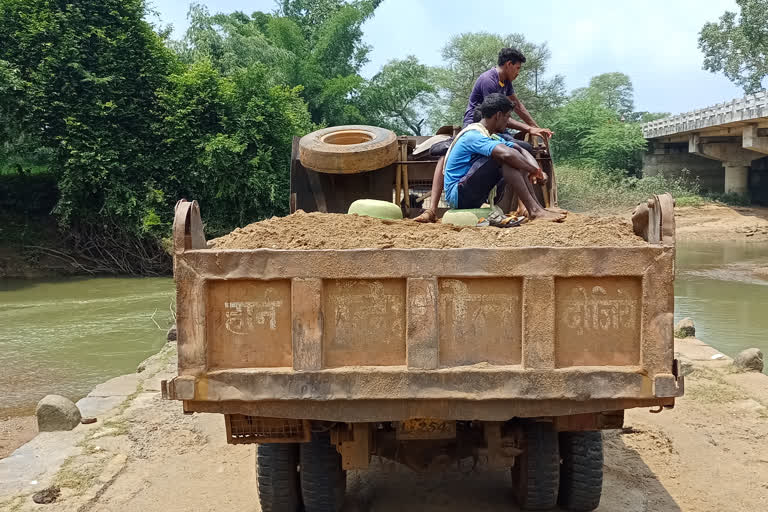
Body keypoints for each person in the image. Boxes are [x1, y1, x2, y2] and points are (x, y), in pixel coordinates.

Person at [414, 47, 554, 222]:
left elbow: (515, 110)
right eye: (518, 68)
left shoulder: (506, 82)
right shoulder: (489, 82)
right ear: (509, 64)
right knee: (503, 156)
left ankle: (532, 208)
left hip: (490, 128)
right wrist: (533, 166)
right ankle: (432, 209)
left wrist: (534, 128)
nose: (518, 73)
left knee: (518, 150)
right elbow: (499, 116)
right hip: (475, 124)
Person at [442, 93, 564, 222]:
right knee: (505, 158)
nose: (507, 122)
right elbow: (507, 154)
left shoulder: (491, 136)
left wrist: (536, 170)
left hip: (472, 194)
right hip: (458, 196)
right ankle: (534, 211)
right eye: (507, 117)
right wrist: (533, 170)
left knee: (516, 157)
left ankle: (537, 208)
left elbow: (520, 149)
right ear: (498, 115)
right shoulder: (473, 135)